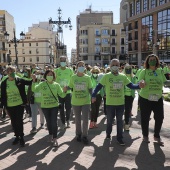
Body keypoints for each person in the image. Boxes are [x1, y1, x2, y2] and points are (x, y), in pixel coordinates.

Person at [92, 59, 144, 146]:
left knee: (120, 121)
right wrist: (93, 95)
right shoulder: (106, 76)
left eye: (116, 64)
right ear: (110, 66)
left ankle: (119, 138)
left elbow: (131, 85)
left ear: (119, 66)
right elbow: (98, 86)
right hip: (110, 104)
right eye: (113, 65)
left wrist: (139, 85)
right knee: (109, 121)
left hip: (120, 104)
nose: (114, 66)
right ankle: (108, 134)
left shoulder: (123, 77)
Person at [138, 54, 170, 145]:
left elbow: (165, 82)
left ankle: (156, 135)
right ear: (147, 62)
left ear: (157, 61)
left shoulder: (160, 71)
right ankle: (145, 135)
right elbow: (140, 81)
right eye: (150, 59)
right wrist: (142, 83)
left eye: (154, 59)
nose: (152, 61)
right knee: (145, 118)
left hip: (158, 98)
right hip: (145, 98)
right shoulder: (144, 71)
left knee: (160, 117)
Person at [32, 70, 66, 147]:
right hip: (45, 107)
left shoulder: (56, 85)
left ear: (53, 76)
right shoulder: (42, 84)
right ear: (46, 76)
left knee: (54, 122)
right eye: (48, 75)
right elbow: (34, 89)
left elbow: (62, 95)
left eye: (51, 75)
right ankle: (50, 134)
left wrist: (64, 91)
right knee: (49, 122)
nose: (50, 76)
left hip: (54, 106)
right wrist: (34, 81)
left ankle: (55, 138)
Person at [0, 66, 32, 147]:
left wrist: (35, 78)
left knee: (19, 121)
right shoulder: (4, 83)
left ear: (15, 72)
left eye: (13, 72)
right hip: (9, 105)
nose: (11, 74)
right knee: (13, 122)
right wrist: (1, 106)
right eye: (9, 72)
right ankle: (17, 136)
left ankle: (21, 137)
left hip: (19, 104)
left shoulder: (19, 80)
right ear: (7, 73)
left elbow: (29, 82)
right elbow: (3, 95)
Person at [67, 61, 92, 144]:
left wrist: (93, 96)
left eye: (83, 66)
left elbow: (90, 88)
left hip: (86, 102)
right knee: (77, 119)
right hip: (75, 102)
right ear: (77, 68)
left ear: (85, 67)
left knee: (85, 119)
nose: (81, 67)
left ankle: (85, 136)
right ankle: (78, 134)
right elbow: (70, 87)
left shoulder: (87, 77)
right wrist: (65, 89)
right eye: (80, 66)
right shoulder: (73, 77)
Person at [54, 56, 73, 129]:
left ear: (66, 61)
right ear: (59, 61)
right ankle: (63, 122)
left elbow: (72, 81)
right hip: (60, 93)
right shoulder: (56, 71)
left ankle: (68, 120)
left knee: (68, 108)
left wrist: (69, 88)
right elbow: (54, 81)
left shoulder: (70, 70)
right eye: (61, 60)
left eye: (64, 61)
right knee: (61, 109)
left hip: (68, 92)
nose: (63, 62)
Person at [123, 64, 136, 131]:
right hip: (124, 96)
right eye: (127, 69)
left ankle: (126, 121)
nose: (128, 70)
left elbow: (136, 85)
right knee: (127, 110)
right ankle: (126, 123)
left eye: (129, 69)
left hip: (131, 96)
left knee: (129, 109)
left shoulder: (133, 77)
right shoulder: (122, 77)